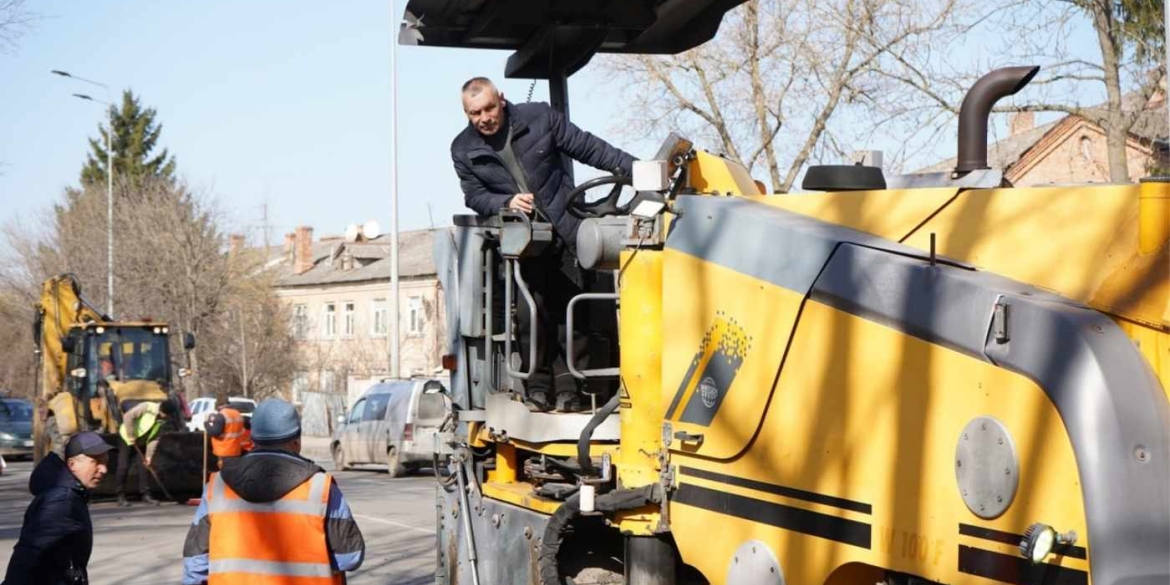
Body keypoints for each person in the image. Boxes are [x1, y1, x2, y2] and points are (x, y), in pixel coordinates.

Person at [451, 76, 636, 411]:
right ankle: (537, 388)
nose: (484, 118)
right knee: (531, 315)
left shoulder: (540, 118)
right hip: (524, 241)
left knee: (571, 314)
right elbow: (474, 196)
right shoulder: (463, 149)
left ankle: (568, 390)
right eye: (475, 113)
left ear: (502, 100)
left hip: (565, 229)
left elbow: (591, 148)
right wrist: (506, 202)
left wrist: (638, 170)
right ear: (467, 114)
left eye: (489, 108)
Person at [182, 398, 365, 585]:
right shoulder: (321, 488)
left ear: (252, 439)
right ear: (296, 441)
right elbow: (350, 556)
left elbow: (195, 564)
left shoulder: (218, 486)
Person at [3, 431, 113, 585]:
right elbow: (28, 555)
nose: (104, 469)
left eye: (106, 462)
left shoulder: (72, 494)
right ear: (72, 464)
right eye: (96, 461)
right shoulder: (62, 500)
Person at [115, 399, 175, 507]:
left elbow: (155, 438)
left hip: (142, 442)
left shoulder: (162, 420)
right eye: (166, 415)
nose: (166, 417)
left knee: (144, 467)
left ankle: (146, 495)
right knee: (123, 467)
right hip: (126, 438)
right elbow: (128, 416)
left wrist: (148, 456)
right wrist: (131, 435)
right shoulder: (146, 407)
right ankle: (120, 495)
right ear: (162, 410)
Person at [203, 394, 253, 469]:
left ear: (219, 406)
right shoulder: (237, 414)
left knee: (224, 474)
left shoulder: (221, 415)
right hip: (236, 450)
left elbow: (215, 432)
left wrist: (206, 424)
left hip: (224, 451)